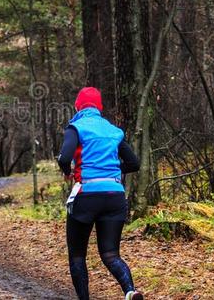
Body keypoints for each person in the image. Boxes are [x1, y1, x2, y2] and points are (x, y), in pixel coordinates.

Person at [57, 87, 143, 300]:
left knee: (77, 255)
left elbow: (63, 157)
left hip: (86, 196)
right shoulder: (114, 131)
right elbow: (134, 163)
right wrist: (112, 171)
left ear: (78, 106)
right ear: (99, 107)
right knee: (111, 254)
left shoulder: (76, 128)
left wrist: (68, 172)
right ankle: (130, 291)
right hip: (114, 197)